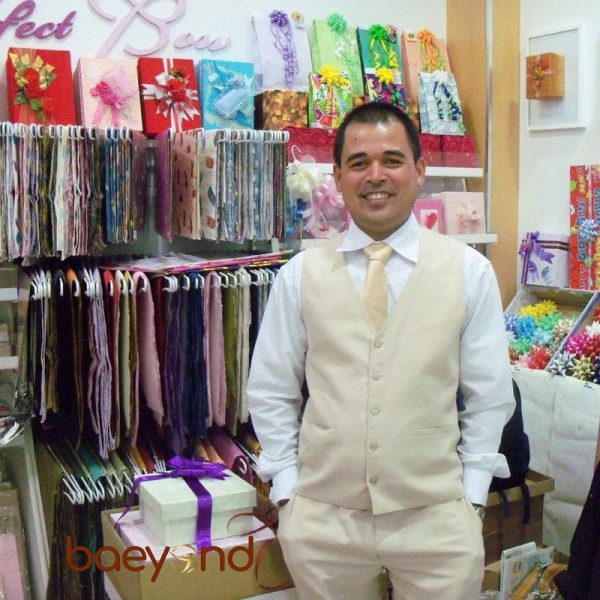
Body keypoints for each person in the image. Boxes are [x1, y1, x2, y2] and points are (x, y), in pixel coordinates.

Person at [247, 102, 515, 600]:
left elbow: (490, 395)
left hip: (436, 520)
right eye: (359, 162)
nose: (376, 176)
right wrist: (286, 492)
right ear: (338, 176)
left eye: (392, 160)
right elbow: (270, 389)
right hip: (324, 523)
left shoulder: (468, 271)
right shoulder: (300, 274)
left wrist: (472, 498)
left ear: (419, 170)